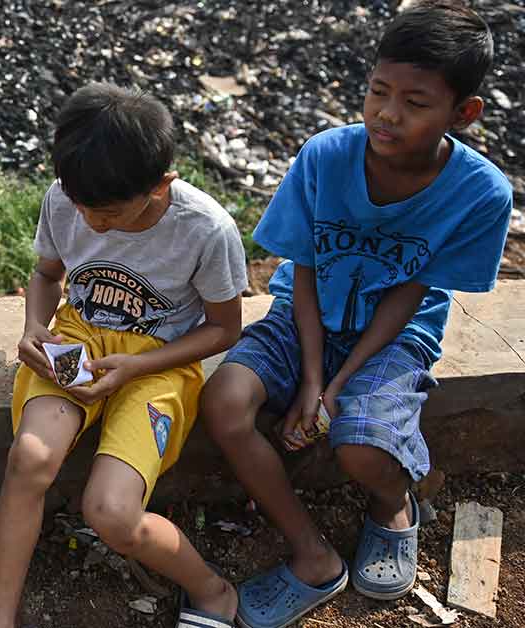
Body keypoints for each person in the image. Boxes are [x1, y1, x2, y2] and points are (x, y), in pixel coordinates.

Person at [198, 3, 513, 627]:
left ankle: (393, 505)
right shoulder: (327, 157)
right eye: (377, 91)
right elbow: (307, 271)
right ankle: (312, 554)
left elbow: (411, 292)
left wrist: (339, 389)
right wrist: (313, 381)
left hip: (396, 337)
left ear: (463, 113)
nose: (387, 114)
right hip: (303, 317)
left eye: (415, 103)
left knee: (362, 448)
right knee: (224, 402)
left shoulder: (481, 194)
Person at [0, 83, 249, 628]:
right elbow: (47, 275)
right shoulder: (66, 199)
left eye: (106, 213)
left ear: (160, 185)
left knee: (110, 512)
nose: (90, 223)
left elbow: (224, 330)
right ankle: (0, 615)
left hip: (161, 361)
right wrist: (35, 325)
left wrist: (135, 367)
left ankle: (212, 589)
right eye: (79, 207)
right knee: (30, 459)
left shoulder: (205, 230)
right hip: (78, 341)